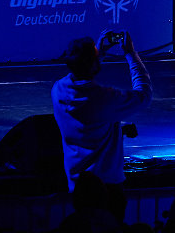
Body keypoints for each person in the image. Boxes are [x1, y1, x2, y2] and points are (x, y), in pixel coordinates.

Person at [51, 29, 153, 191]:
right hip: (107, 185)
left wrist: (98, 54)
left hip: (78, 184)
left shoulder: (59, 89)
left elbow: (81, 71)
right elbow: (144, 95)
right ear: (92, 63)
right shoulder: (103, 98)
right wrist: (131, 53)